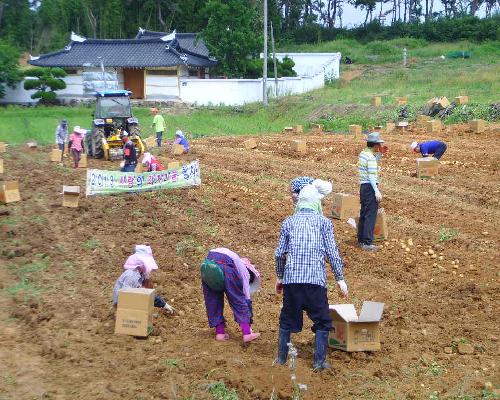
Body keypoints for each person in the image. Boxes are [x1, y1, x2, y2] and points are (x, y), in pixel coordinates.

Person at [275, 185, 348, 371]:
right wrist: (340, 279)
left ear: (299, 203)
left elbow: (279, 254)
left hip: (292, 280)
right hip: (315, 280)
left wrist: (280, 277)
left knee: (286, 319)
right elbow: (332, 253)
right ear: (317, 203)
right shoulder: (324, 223)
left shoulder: (288, 222)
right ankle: (319, 361)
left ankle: (281, 359)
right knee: (323, 321)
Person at [200, 247, 261, 343]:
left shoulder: (238, 262)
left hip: (208, 264)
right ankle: (247, 334)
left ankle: (220, 333)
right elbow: (245, 299)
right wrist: (248, 323)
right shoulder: (245, 274)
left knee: (213, 299)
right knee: (238, 300)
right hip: (226, 265)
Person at [112, 245, 175, 313]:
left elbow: (147, 293)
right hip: (122, 303)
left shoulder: (141, 274)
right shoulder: (131, 275)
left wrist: (163, 304)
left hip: (130, 299)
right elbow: (126, 296)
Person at [357, 132, 385, 251]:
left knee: (364, 213)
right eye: (379, 144)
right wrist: (376, 191)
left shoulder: (363, 154)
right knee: (370, 215)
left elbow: (373, 160)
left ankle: (361, 240)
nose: (379, 146)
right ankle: (368, 242)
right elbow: (372, 176)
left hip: (363, 187)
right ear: (375, 144)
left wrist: (380, 154)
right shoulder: (370, 158)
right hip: (370, 187)